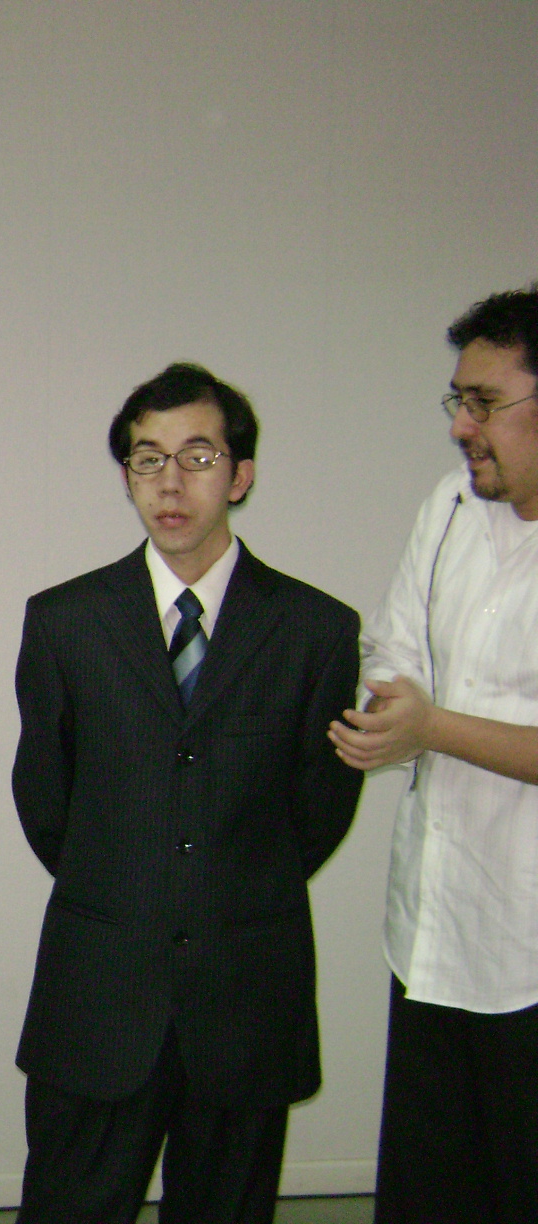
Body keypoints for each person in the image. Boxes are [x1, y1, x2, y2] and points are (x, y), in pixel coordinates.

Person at [12, 362, 362, 1224]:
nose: (170, 483)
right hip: (98, 992)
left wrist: (219, 884)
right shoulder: (65, 621)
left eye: (197, 458)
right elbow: (45, 800)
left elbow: (319, 811)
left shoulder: (317, 630)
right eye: (146, 459)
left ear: (240, 475)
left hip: (247, 988)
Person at [329, 284, 538, 1223]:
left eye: (485, 403)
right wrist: (391, 709)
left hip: (529, 949)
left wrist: (430, 728)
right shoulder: (451, 507)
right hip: (433, 929)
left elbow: (427, 714)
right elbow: (394, 644)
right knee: (429, 1190)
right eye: (457, 400)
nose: (461, 426)